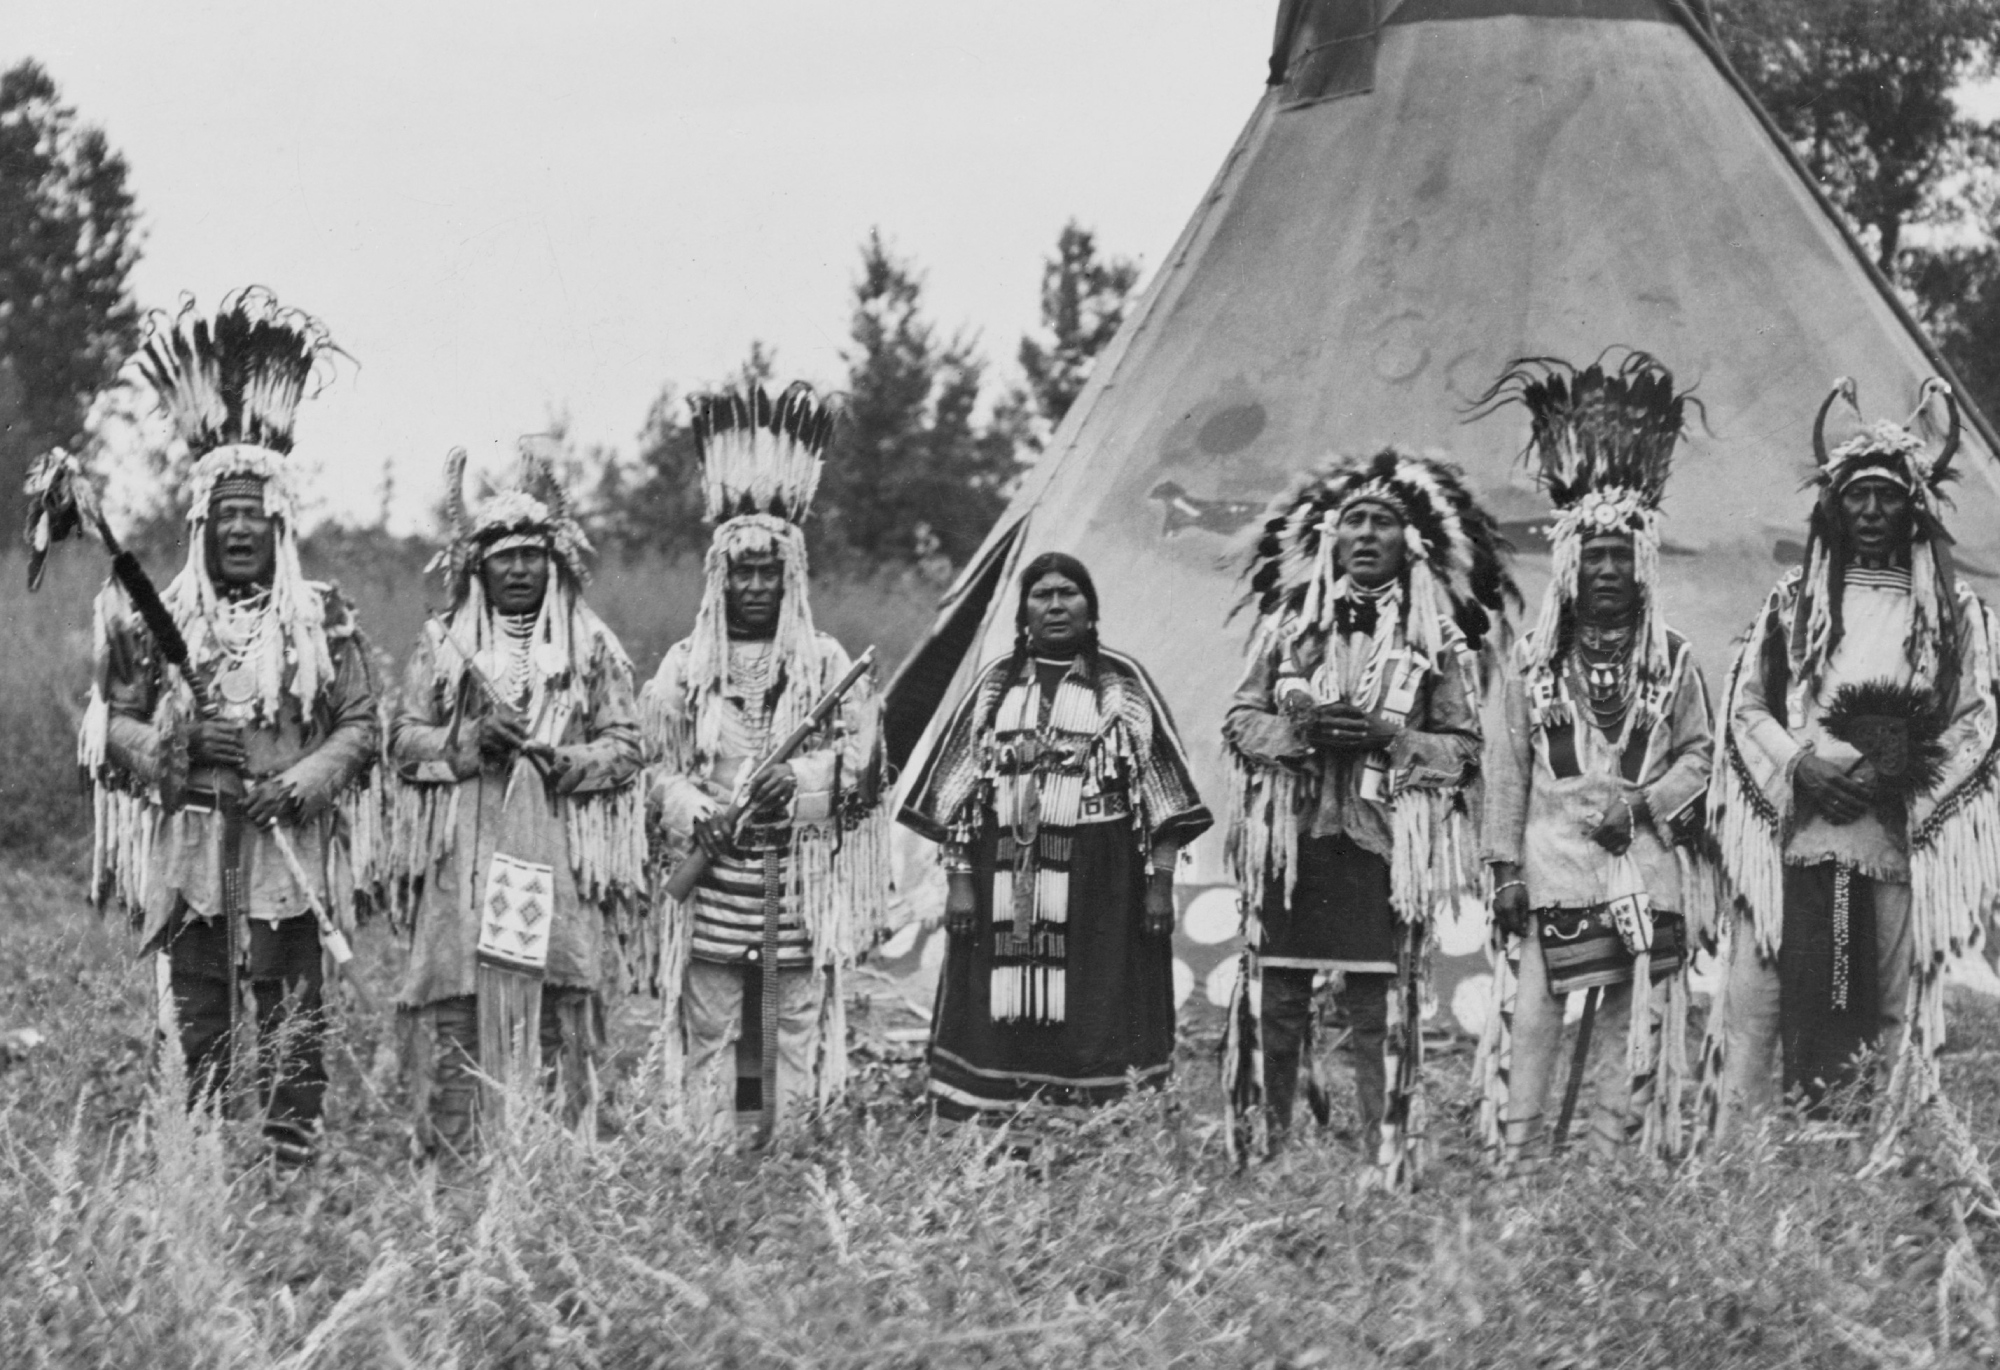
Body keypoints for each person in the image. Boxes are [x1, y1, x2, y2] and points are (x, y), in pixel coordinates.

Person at [81, 289, 379, 1167]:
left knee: (294, 1006)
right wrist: (174, 748)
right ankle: (199, 1157)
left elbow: (359, 723)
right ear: (202, 526)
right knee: (199, 1007)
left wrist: (305, 779)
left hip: (287, 850)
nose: (241, 527)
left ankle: (292, 1160)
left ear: (278, 523)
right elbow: (107, 728)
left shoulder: (324, 619)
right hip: (197, 850)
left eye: (256, 512)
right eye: (226, 514)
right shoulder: (153, 621)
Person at [1703, 378, 2000, 1153]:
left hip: (1896, 831)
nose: (1871, 511)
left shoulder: (1955, 616)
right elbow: (1747, 708)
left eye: (1887, 497)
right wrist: (1801, 765)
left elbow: (1978, 716)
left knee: (1892, 999)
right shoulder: (1792, 605)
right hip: (1794, 829)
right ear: (1833, 509)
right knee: (1760, 999)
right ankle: (1747, 1166)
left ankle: (1882, 1163)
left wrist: (1902, 772)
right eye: (1857, 497)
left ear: (1913, 509)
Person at [1223, 449, 1513, 1185]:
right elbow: (1239, 716)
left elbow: (1462, 747)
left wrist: (1391, 737)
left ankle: (1384, 1153)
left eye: (1382, 522)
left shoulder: (1435, 641)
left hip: (1380, 839)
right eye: (1352, 520)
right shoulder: (1290, 630)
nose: (1365, 534)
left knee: (1376, 1001)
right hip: (1292, 834)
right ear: (1330, 538)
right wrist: (1298, 735)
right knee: (1279, 993)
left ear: (1408, 543)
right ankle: (1271, 1148)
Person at [1472, 352, 1715, 1168]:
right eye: (1594, 556)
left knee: (1630, 1017)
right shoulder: (1530, 664)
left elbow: (1700, 755)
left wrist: (1642, 806)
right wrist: (1504, 871)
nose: (1607, 569)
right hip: (1551, 872)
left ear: (1642, 563)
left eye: (1621, 554)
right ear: (1568, 566)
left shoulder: (1674, 661)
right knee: (1536, 1014)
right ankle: (1519, 1163)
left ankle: (1614, 1165)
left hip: (1643, 869)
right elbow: (1504, 769)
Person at [385, 442, 645, 1156]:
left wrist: (562, 760)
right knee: (463, 1003)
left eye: (533, 555)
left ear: (554, 563)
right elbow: (404, 741)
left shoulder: (590, 648)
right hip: (468, 856)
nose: (521, 569)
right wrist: (468, 741)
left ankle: (557, 1157)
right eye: (505, 558)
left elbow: (627, 746)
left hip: (554, 857)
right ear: (480, 567)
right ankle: (458, 1158)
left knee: (559, 1003)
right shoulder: (442, 648)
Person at [644, 383, 887, 1143]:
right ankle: (709, 1157)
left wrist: (803, 780)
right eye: (742, 572)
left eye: (768, 572)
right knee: (712, 1024)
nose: (755, 585)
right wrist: (697, 812)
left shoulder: (824, 663)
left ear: (791, 577)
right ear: (720, 578)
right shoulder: (684, 669)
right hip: (714, 881)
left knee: (790, 1026)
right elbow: (659, 773)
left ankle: (787, 1158)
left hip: (797, 885)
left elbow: (865, 770)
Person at [900, 552, 1211, 1125]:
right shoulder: (995, 685)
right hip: (1005, 872)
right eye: (1041, 595)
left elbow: (1167, 799)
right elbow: (953, 795)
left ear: (1091, 610)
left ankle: (1093, 1121)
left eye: (1069, 593)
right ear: (1023, 612)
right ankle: (998, 1115)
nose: (1056, 604)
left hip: (1102, 872)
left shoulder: (1124, 684)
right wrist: (960, 882)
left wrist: (1160, 885)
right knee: (1003, 1002)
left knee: (1095, 1000)